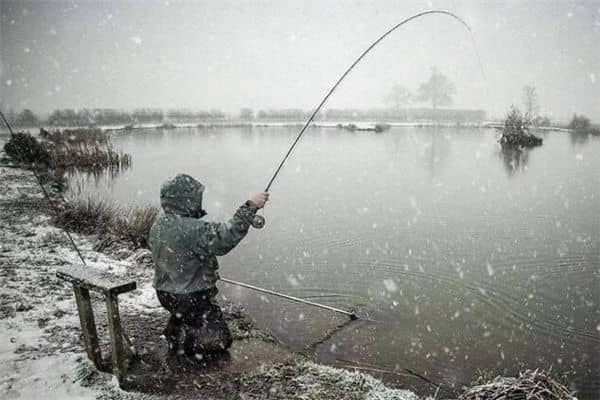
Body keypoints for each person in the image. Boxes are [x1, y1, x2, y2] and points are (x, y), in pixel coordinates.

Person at [148, 174, 268, 357]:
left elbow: (181, 255)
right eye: (195, 198)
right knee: (220, 341)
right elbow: (225, 237)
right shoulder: (193, 228)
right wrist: (250, 206)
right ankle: (191, 351)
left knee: (185, 311)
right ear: (185, 200)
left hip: (164, 294)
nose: (199, 202)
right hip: (190, 297)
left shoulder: (159, 223)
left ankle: (176, 330)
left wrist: (202, 270)